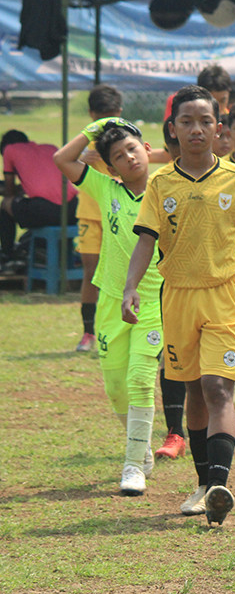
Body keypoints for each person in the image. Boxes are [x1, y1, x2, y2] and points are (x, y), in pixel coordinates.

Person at [122, 84, 235, 526]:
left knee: (217, 386)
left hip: (225, 294)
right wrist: (132, 287)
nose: (196, 129)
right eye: (187, 121)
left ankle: (220, 484)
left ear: (218, 128)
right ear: (172, 129)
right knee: (192, 389)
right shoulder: (160, 184)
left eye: (205, 121)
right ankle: (205, 483)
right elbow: (144, 242)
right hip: (177, 297)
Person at [53, 117, 161, 495]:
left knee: (140, 379)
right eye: (118, 156)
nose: (129, 158)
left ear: (147, 150)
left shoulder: (167, 190)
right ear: (109, 167)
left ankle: (133, 466)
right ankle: (141, 446)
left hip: (154, 303)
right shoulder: (106, 189)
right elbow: (61, 159)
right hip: (111, 302)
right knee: (116, 386)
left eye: (133, 148)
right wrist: (98, 126)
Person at [75, 84, 124, 353]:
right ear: (92, 115)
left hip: (118, 216)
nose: (105, 123)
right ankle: (87, 333)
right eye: (100, 118)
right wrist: (82, 157)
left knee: (121, 274)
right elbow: (64, 164)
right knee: (91, 272)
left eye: (111, 116)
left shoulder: (124, 143)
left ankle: (117, 330)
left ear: (119, 113)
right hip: (90, 216)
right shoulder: (86, 144)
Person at [1, 130, 78, 270]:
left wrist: (11, 190)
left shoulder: (9, 150)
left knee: (6, 204)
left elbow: (9, 191)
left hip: (47, 210)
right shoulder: (50, 148)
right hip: (73, 208)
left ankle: (7, 253)